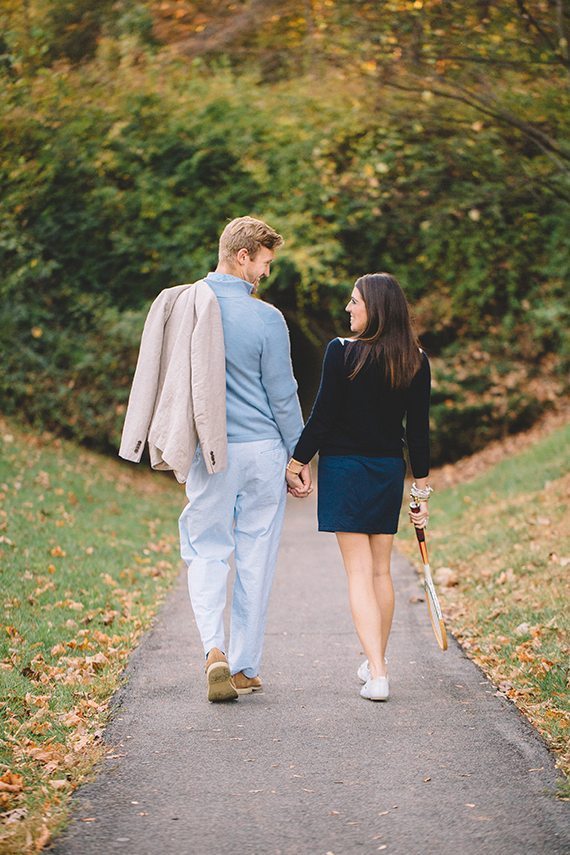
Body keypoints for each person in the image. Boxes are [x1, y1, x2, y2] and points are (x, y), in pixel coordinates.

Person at [177, 217, 311, 702]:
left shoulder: (186, 306)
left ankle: (214, 649)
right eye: (265, 263)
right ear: (244, 256)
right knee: (255, 556)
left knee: (207, 549)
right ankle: (244, 668)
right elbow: (283, 394)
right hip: (261, 453)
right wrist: (299, 457)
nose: (266, 274)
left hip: (210, 451)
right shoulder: (267, 318)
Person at [285, 273, 431, 701]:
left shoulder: (341, 352)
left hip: (345, 470)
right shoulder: (415, 359)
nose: (349, 309)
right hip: (387, 472)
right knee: (381, 571)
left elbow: (322, 415)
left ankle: (380, 673)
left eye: (355, 302)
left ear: (375, 309)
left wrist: (296, 461)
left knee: (358, 574)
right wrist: (420, 494)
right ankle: (375, 662)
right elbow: (418, 433)